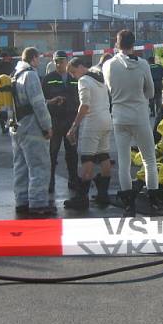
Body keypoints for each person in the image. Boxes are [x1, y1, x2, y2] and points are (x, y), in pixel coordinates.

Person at [103, 29, 163, 216]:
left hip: (119, 116)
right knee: (149, 160)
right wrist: (140, 98)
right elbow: (151, 92)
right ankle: (153, 201)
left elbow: (109, 89)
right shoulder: (143, 64)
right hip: (139, 115)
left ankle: (129, 205)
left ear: (117, 43)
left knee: (124, 161)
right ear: (134, 44)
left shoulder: (108, 65)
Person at [10, 47, 55, 217]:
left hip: (17, 127)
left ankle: (21, 202)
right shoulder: (31, 75)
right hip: (32, 128)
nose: (40, 62)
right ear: (33, 58)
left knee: (20, 167)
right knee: (39, 166)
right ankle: (38, 204)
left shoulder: (15, 75)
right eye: (39, 58)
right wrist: (47, 126)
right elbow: (38, 104)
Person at [64, 57, 113, 210]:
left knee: (87, 157)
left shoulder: (84, 80)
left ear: (80, 67)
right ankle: (103, 194)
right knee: (104, 155)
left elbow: (84, 106)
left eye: (73, 72)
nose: (73, 76)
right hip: (106, 120)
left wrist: (74, 126)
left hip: (92, 122)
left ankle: (82, 197)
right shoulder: (100, 79)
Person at [41, 50, 80, 194]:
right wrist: (52, 102)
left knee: (72, 153)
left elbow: (81, 97)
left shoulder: (74, 77)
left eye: (62, 61)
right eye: (56, 61)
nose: (59, 64)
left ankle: (73, 180)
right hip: (55, 121)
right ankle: (50, 182)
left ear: (67, 62)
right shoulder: (48, 78)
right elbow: (42, 100)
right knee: (52, 153)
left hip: (71, 120)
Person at [0, 52, 15, 133]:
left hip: (1, 91)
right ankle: (10, 125)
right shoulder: (11, 65)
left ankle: (3, 127)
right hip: (10, 90)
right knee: (11, 109)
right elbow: (16, 74)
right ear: (7, 57)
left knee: (1, 109)